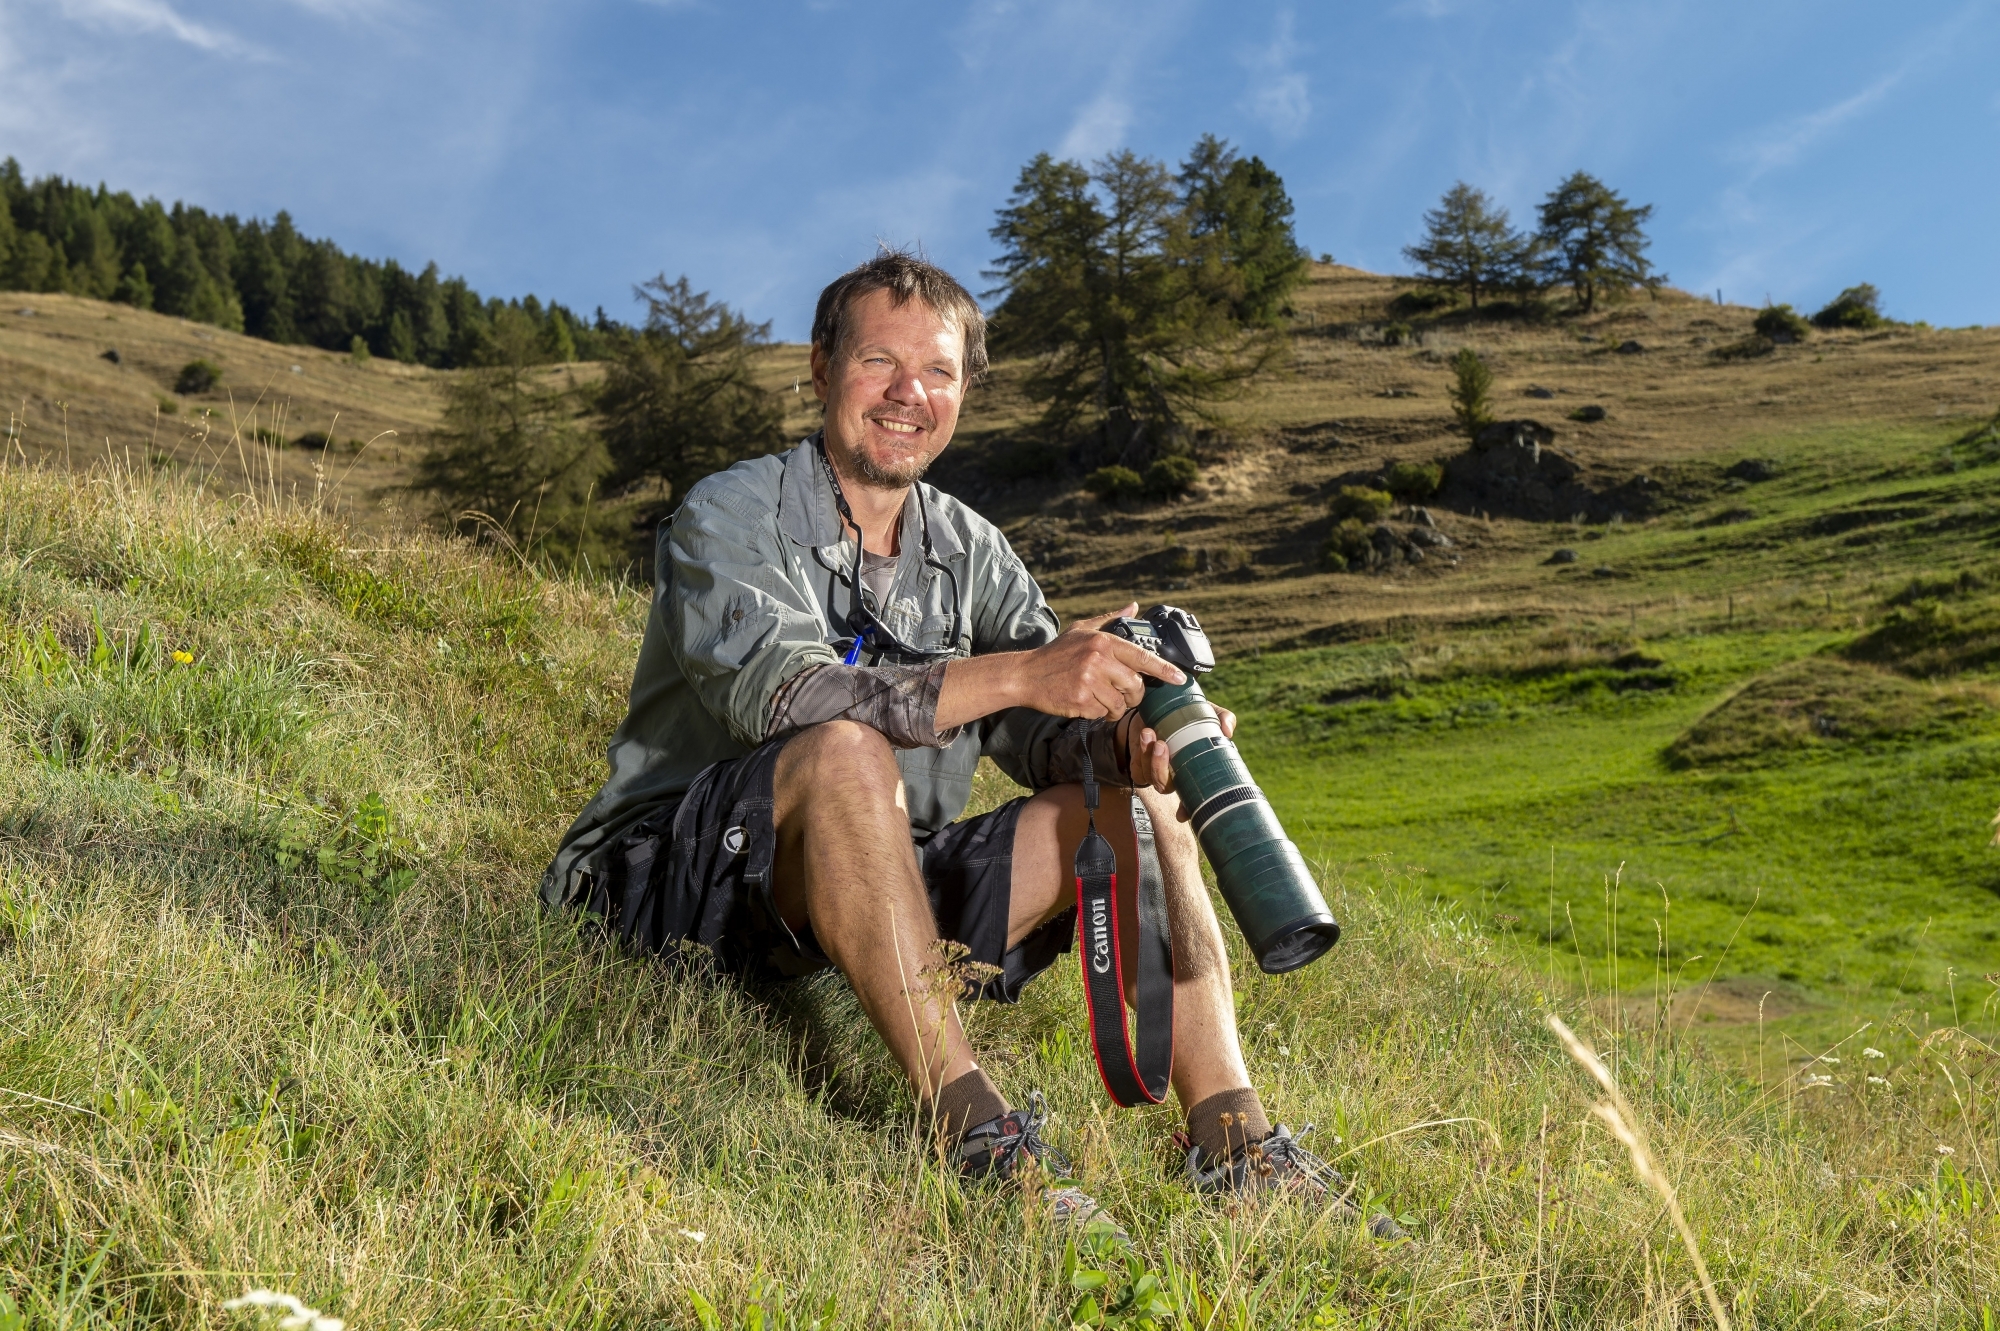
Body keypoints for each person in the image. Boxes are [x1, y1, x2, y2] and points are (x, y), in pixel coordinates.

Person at [543, 251, 1398, 1238]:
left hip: (869, 886)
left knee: (1133, 801)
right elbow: (788, 697)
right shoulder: (730, 514)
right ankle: (976, 1132)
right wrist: (1031, 670)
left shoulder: (969, 548)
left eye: (938, 372)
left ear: (964, 393)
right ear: (820, 369)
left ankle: (1232, 1144)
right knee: (842, 745)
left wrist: (1124, 734)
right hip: (672, 882)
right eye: (879, 362)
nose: (910, 393)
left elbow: (1038, 735)